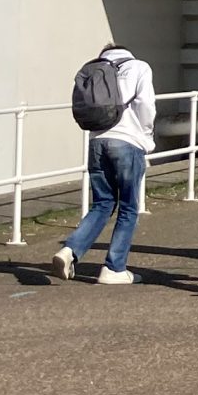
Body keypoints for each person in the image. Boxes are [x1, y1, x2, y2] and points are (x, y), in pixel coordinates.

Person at [54, 39, 156, 285]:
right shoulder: (139, 67)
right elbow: (146, 105)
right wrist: (146, 137)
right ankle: (114, 268)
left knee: (102, 203)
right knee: (128, 207)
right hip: (128, 141)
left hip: (96, 141)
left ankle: (69, 250)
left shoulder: (92, 70)